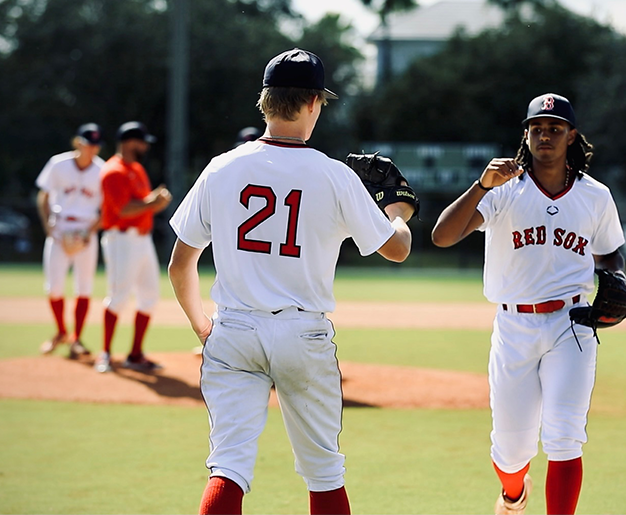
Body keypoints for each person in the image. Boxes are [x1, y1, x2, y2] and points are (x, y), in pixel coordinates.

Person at [168, 48, 414, 515]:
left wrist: (203, 326)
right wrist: (398, 209)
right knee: (324, 472)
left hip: (234, 329)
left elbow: (181, 264)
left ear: (265, 101)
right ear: (313, 103)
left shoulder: (222, 167)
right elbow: (397, 248)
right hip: (303, 333)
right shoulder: (333, 174)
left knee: (228, 468)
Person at [432, 93, 626, 515]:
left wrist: (618, 277)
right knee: (510, 450)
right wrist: (481, 185)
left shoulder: (595, 195)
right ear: (526, 134)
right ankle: (513, 494)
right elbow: (442, 236)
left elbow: (610, 252)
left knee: (564, 435)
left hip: (572, 324)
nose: (545, 136)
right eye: (537, 128)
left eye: (555, 129)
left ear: (571, 136)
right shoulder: (504, 191)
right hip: (514, 327)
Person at [94, 121, 172, 373]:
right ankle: (104, 353)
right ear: (129, 142)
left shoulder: (136, 169)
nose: (144, 147)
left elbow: (143, 205)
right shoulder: (113, 170)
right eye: (141, 142)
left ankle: (135, 355)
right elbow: (124, 209)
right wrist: (152, 202)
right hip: (121, 239)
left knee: (149, 297)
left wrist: (156, 203)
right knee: (118, 295)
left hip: (142, 238)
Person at [36, 123, 105, 358]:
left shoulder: (101, 170)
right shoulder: (59, 164)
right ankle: (61, 332)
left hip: (86, 230)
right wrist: (48, 227)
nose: (92, 149)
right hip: (60, 226)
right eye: (88, 144)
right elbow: (43, 195)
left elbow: (107, 208)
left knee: (84, 287)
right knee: (54, 287)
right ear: (78, 143)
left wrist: (91, 231)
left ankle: (76, 338)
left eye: (95, 145)